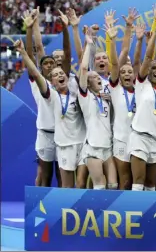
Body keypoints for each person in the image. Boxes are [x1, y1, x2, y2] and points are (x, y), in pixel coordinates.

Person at [15, 40, 88, 188]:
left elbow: (83, 66)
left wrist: (88, 41)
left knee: (80, 183)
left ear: (67, 76)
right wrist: (23, 52)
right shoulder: (52, 96)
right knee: (50, 178)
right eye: (55, 74)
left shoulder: (77, 92)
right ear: (51, 81)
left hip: (82, 143)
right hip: (61, 143)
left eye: (62, 73)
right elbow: (35, 72)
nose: (60, 75)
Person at [126, 11, 156, 192]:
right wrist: (155, 31)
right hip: (140, 137)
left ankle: (149, 219)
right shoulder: (142, 85)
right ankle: (136, 217)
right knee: (138, 182)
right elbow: (149, 57)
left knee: (151, 184)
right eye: (153, 68)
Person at [106, 13, 145, 190]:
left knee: (138, 182)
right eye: (124, 72)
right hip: (121, 139)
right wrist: (113, 40)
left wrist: (139, 39)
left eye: (130, 72)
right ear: (119, 76)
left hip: (139, 139)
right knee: (125, 181)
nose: (127, 74)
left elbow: (136, 60)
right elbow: (116, 62)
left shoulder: (140, 89)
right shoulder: (115, 90)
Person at [78, 27, 117, 190]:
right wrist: (88, 45)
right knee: (99, 185)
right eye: (93, 77)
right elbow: (84, 69)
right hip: (93, 147)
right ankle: (96, 215)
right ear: (87, 83)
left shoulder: (106, 97)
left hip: (107, 147)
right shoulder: (85, 97)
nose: (97, 78)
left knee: (114, 185)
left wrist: (112, 102)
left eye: (98, 76)